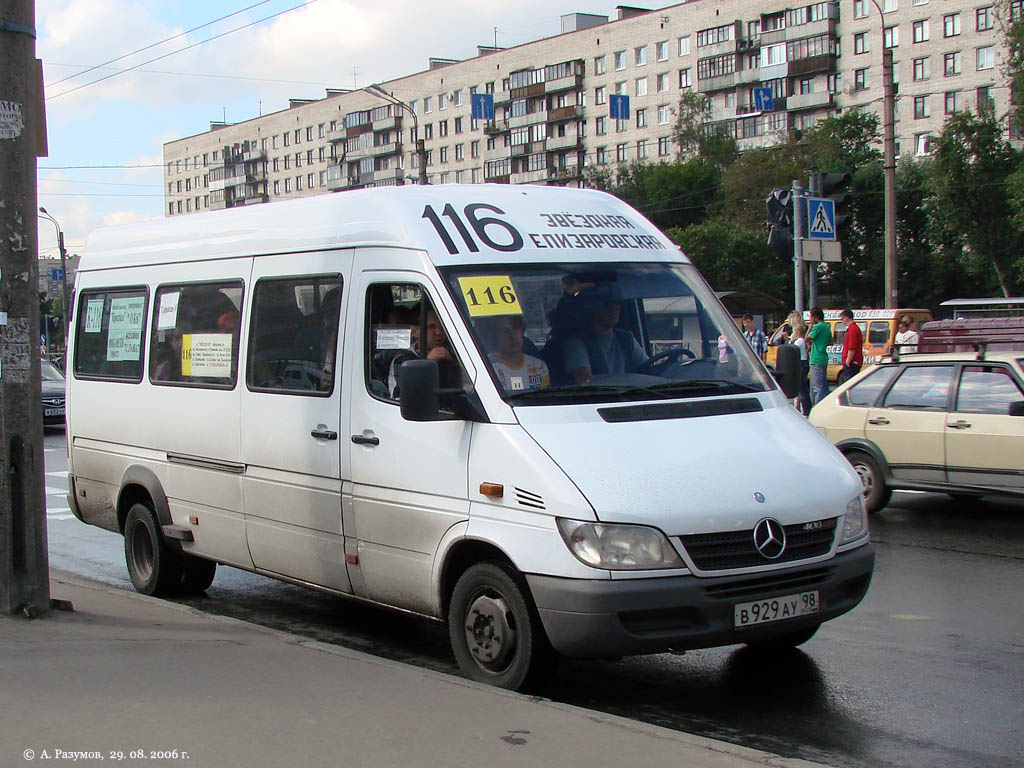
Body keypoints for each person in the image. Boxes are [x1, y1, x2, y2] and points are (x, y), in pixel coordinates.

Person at [562, 285, 648, 384]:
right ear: (591, 308)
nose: (614, 307)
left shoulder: (626, 338)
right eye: (607, 303)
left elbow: (647, 368)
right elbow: (585, 381)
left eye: (617, 302)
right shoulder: (576, 343)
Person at [488, 314, 549, 392]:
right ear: (495, 337)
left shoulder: (539, 366)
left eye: (516, 328)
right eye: (505, 331)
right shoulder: (488, 366)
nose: (513, 336)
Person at [807, 306, 832, 406]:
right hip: (824, 358)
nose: (810, 319)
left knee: (817, 386)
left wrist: (811, 326)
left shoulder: (817, 327)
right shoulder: (826, 326)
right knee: (823, 384)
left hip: (816, 358)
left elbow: (806, 338)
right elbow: (831, 342)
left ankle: (818, 406)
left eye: (810, 317)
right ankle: (825, 405)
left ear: (815, 317)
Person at [838, 308, 863, 385]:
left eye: (842, 319)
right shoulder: (854, 328)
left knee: (848, 384)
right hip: (853, 362)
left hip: (852, 363)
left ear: (847, 317)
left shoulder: (852, 329)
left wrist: (847, 362)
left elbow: (852, 348)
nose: (842, 321)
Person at [792, 322, 812, 415]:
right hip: (804, 362)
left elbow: (792, 349)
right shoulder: (803, 341)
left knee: (801, 388)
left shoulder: (798, 341)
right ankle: (804, 408)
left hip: (800, 363)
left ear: (797, 332)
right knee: (803, 387)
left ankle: (805, 410)